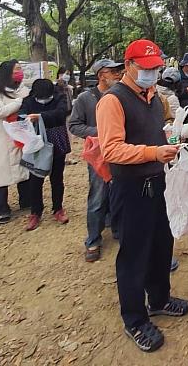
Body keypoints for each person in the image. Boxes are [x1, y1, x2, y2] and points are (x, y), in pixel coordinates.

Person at [97, 39, 188, 353]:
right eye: (146, 68)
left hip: (158, 182)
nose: (152, 73)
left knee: (162, 245)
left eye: (156, 68)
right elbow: (111, 149)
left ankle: (160, 299)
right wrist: (153, 151)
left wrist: (167, 138)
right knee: (134, 256)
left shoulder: (153, 97)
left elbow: (151, 131)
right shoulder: (113, 100)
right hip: (130, 188)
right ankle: (134, 319)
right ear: (129, 66)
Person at [69, 58, 123, 262]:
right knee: (98, 196)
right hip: (98, 156)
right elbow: (74, 125)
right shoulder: (86, 98)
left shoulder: (122, 95)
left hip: (120, 153)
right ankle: (93, 240)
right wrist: (101, 132)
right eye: (113, 72)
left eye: (119, 71)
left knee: (119, 193)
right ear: (101, 75)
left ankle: (118, 228)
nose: (118, 75)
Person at [19, 78, 71, 231]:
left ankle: (58, 208)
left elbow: (61, 114)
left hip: (57, 141)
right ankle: (35, 212)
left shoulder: (59, 98)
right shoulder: (28, 101)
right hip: (36, 143)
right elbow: (21, 115)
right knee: (35, 179)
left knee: (57, 177)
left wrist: (39, 116)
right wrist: (28, 118)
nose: (43, 99)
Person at [0, 60, 30, 224]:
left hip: (20, 135)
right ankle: (1, 208)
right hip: (2, 138)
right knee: (0, 174)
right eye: (16, 69)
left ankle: (26, 201)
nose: (20, 72)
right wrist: (21, 102)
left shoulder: (23, 89)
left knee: (23, 169)